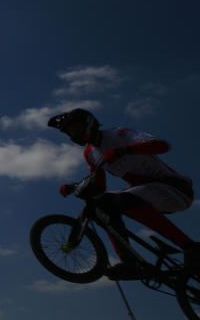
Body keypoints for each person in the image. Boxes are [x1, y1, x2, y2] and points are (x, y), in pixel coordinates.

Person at [48, 108, 197, 278]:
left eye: (75, 128)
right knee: (101, 207)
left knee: (122, 200)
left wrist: (124, 150)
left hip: (175, 189)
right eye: (69, 132)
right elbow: (99, 186)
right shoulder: (90, 154)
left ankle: (191, 247)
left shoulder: (118, 134)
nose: (73, 134)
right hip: (149, 194)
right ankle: (130, 262)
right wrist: (75, 187)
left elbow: (162, 145)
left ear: (88, 123)